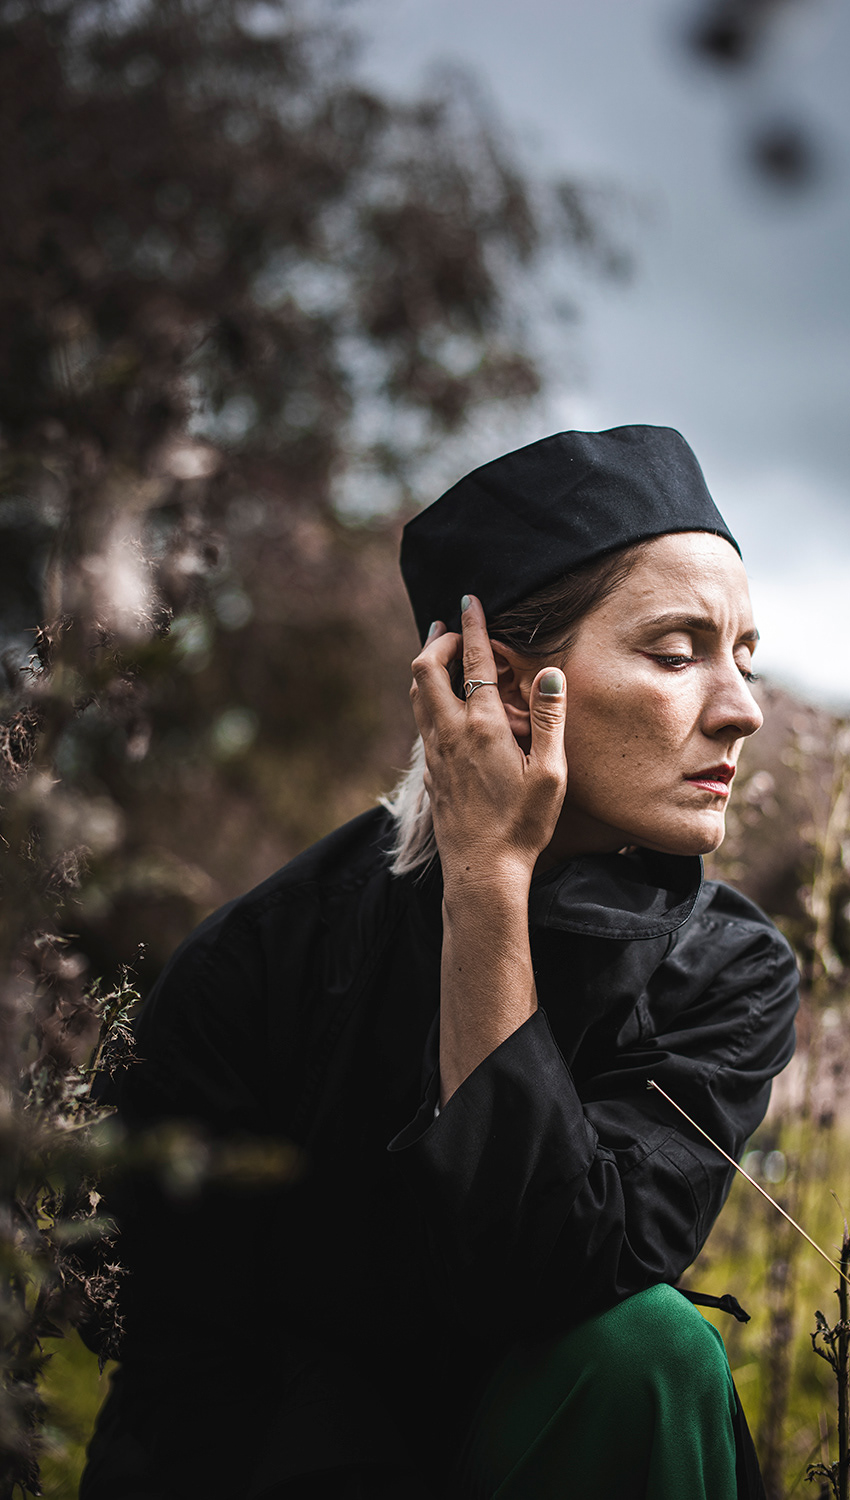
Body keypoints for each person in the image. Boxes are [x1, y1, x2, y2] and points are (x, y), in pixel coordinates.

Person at [81, 425, 799, 1500]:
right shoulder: (258, 967)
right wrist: (479, 868)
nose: (741, 709)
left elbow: (554, 1279)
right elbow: (186, 1376)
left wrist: (489, 887)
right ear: (499, 683)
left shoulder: (727, 970)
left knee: (647, 1351)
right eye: (675, 652)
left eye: (743, 657)